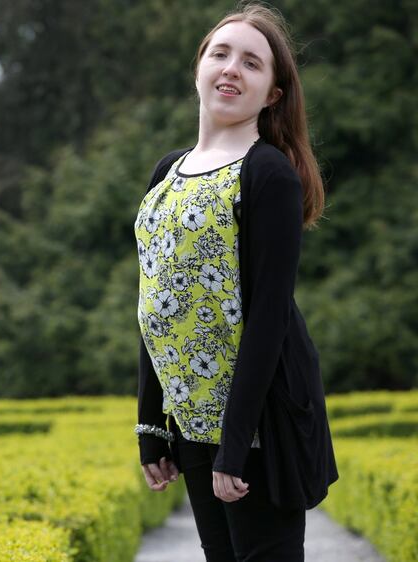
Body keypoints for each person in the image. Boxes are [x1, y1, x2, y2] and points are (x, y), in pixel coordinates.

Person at [133, 3, 339, 561]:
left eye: (252, 63)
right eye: (220, 54)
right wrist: (152, 421)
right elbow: (157, 303)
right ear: (199, 66)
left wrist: (235, 442)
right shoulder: (166, 173)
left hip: (257, 421)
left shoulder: (267, 172)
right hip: (191, 420)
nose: (231, 69)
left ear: (272, 93)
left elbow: (269, 317)